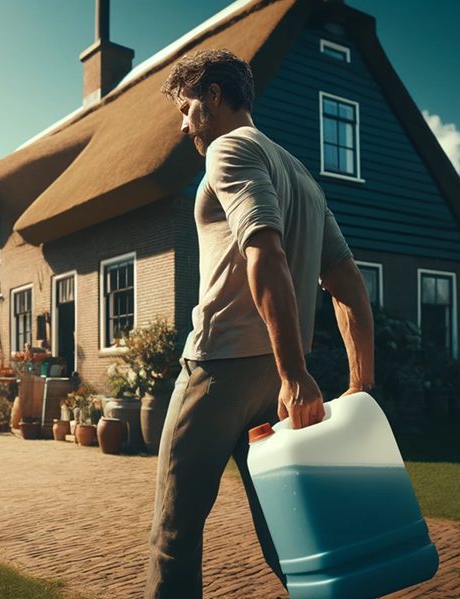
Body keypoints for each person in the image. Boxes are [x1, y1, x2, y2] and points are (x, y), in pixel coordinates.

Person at [145, 49, 376, 598]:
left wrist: (297, 373)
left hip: (219, 371)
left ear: (214, 97)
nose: (183, 125)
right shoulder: (301, 174)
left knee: (173, 533)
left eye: (185, 108)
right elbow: (348, 286)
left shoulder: (228, 148)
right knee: (287, 533)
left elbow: (264, 254)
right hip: (273, 383)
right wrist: (361, 385)